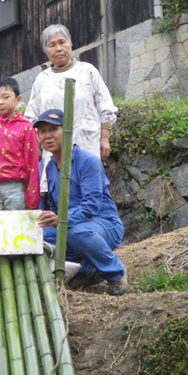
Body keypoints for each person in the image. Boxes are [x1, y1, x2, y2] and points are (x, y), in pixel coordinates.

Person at [33, 109, 128, 296]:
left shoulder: (87, 160)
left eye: (53, 129)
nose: (48, 136)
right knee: (36, 237)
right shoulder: (50, 167)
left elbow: (92, 204)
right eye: (43, 131)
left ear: (66, 131)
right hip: (68, 225)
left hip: (103, 224)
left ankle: (116, 272)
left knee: (76, 232)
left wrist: (61, 219)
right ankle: (86, 270)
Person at [24, 24, 118, 161]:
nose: (58, 49)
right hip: (53, 154)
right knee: (55, 181)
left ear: (70, 44)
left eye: (62, 42)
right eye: (52, 45)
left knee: (87, 179)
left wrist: (104, 139)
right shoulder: (42, 79)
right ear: (46, 51)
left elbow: (106, 107)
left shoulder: (87, 71)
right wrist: (37, 145)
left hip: (86, 143)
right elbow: (31, 117)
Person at [0, 77, 40, 211]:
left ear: (18, 99)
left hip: (14, 186)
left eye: (6, 97)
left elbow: (32, 162)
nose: (1, 102)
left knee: (14, 226)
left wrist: (32, 196)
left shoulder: (26, 127)